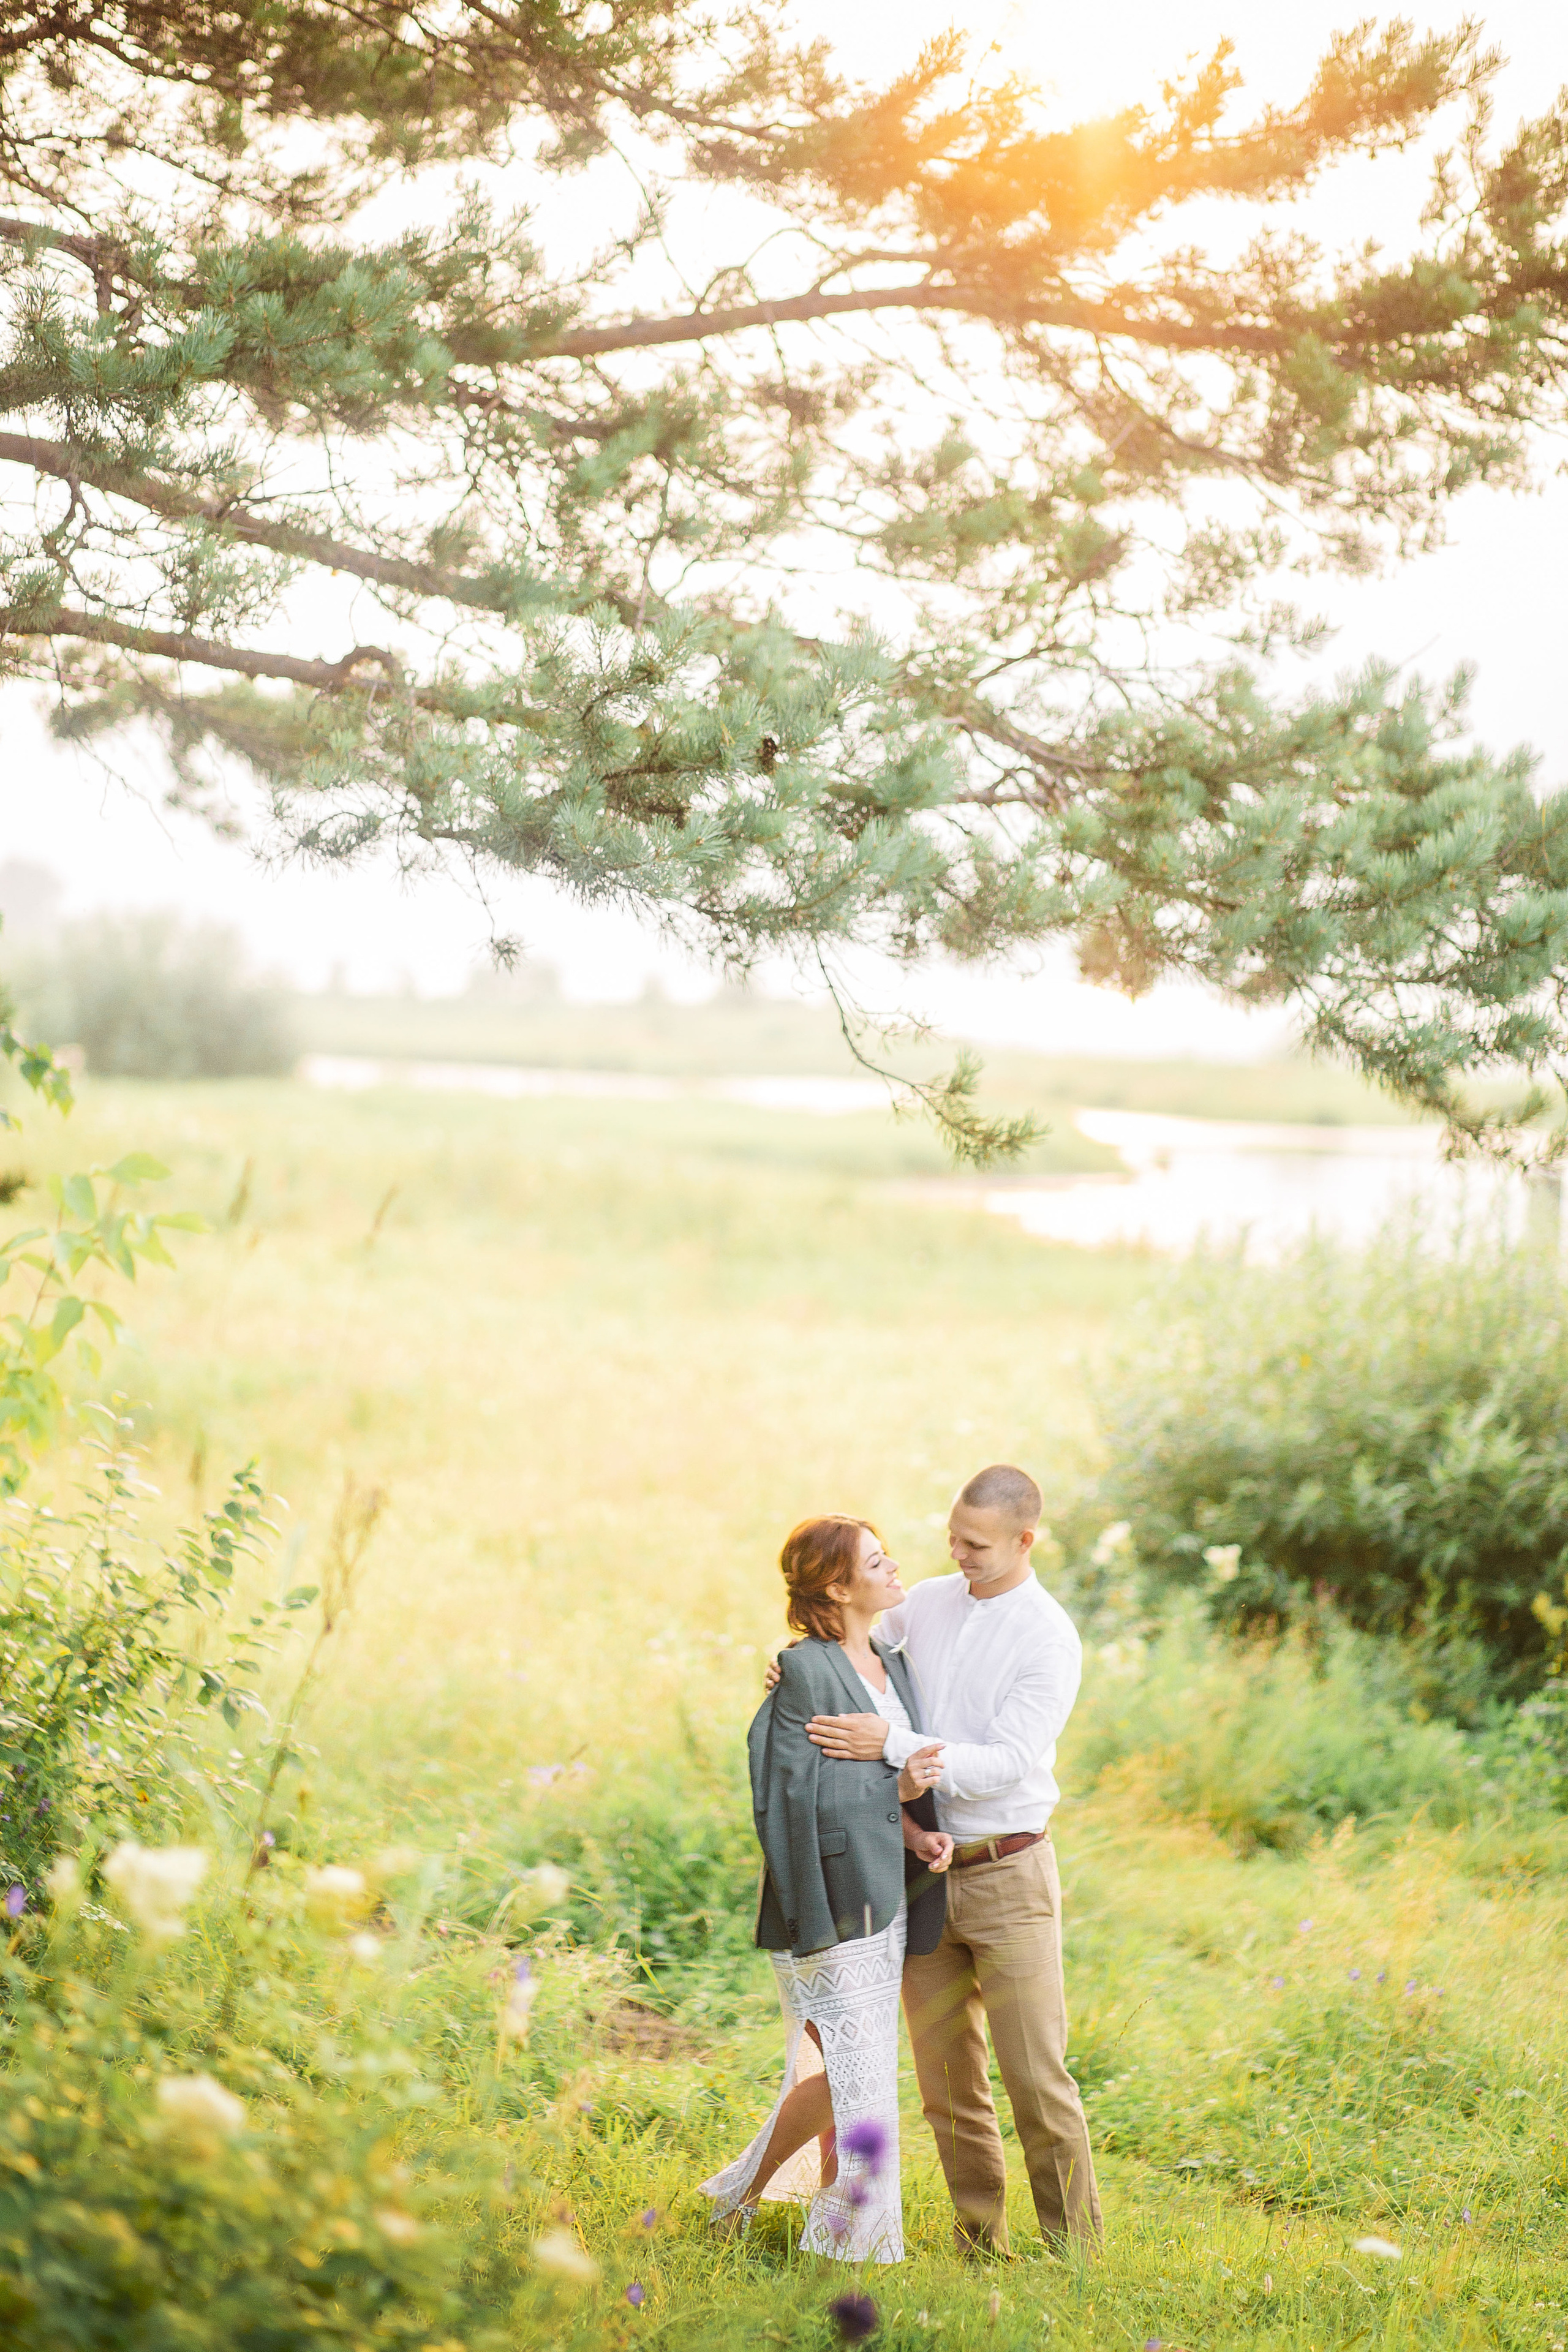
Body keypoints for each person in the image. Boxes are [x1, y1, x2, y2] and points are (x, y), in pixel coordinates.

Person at [769, 1464, 1102, 2259]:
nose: (957, 1553)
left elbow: (1011, 1762)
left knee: (1037, 2081)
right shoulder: (928, 1603)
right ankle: (980, 2242)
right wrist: (798, 1670)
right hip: (918, 1875)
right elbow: (851, 1645)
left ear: (1026, 1541)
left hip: (1009, 1874)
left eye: (976, 1544)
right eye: (952, 1536)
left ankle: (1074, 2255)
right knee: (950, 2086)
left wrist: (895, 1746)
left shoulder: (1047, 1636)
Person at [701, 1514, 953, 2263]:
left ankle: (743, 2201)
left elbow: (873, 1777)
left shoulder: (891, 1659)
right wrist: (896, 1789)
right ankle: (840, 2237)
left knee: (847, 2062)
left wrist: (915, 1829)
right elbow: (786, 1793)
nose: (893, 1567)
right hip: (829, 1894)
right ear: (837, 1586)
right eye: (877, 1562)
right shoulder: (805, 1668)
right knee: (858, 2070)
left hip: (887, 1892)